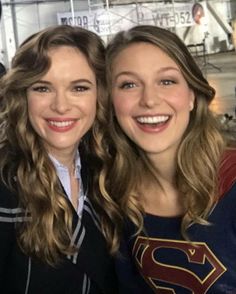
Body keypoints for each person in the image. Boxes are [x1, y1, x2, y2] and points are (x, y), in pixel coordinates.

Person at [98, 25, 236, 293]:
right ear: (111, 104)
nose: (149, 100)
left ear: (192, 97)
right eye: (129, 84)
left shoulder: (232, 181)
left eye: (167, 81)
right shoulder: (116, 197)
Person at [0, 25, 117, 293]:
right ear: (22, 95)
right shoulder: (6, 183)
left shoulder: (105, 168)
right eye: (42, 88)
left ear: (100, 95)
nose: (61, 106)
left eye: (79, 88)